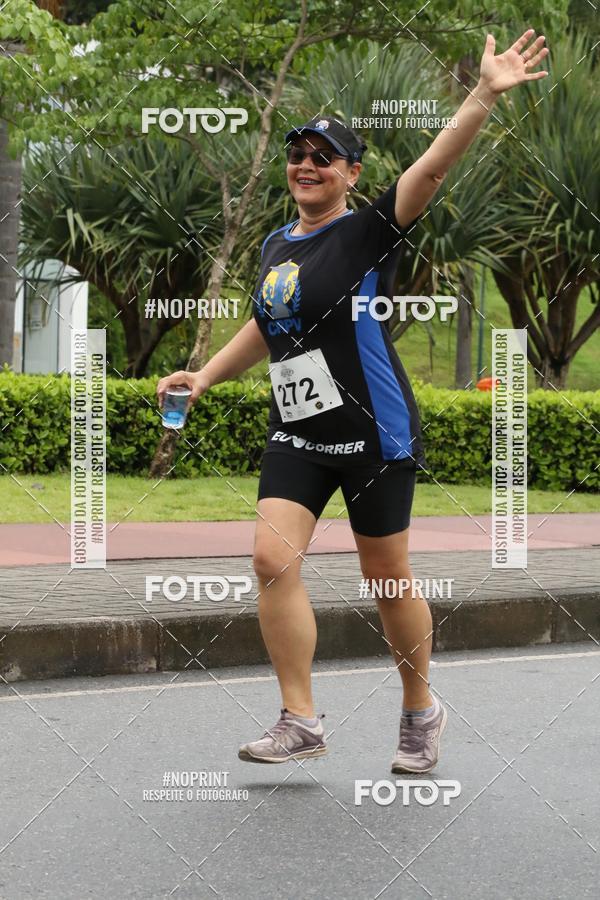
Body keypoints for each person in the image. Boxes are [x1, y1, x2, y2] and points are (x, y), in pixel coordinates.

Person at [158, 31, 549, 772]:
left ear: (350, 174)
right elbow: (266, 322)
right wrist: (205, 375)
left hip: (374, 432)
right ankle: (300, 720)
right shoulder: (276, 245)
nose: (305, 165)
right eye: (297, 154)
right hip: (299, 431)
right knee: (271, 558)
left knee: (388, 578)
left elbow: (433, 169)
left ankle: (419, 710)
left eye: (323, 157)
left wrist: (484, 93)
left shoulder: (368, 233)